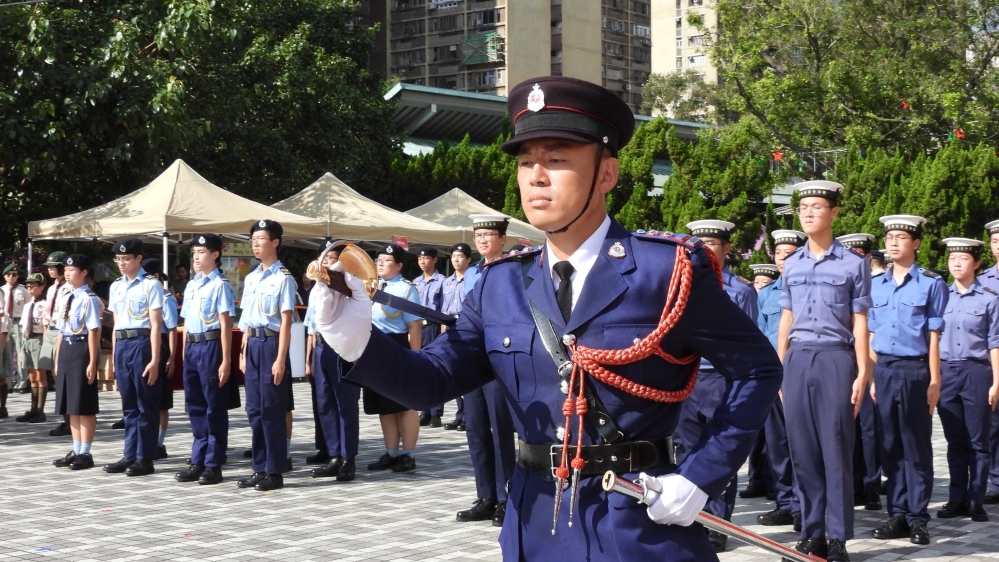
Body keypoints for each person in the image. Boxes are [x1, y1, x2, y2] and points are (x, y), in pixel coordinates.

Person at [311, 75, 782, 561]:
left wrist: (702, 476)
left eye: (557, 159)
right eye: (526, 161)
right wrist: (354, 339)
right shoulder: (500, 284)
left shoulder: (665, 272)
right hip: (535, 523)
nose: (536, 176)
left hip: (639, 522)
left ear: (606, 174)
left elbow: (758, 370)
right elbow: (431, 381)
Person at [776, 181, 872, 562]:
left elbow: (860, 320)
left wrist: (863, 372)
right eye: (803, 207)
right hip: (798, 358)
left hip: (835, 357)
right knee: (802, 450)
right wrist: (779, 367)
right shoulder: (793, 262)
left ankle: (837, 536)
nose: (808, 213)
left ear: (833, 212)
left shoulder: (853, 263)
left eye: (816, 206)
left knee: (835, 448)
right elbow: (787, 316)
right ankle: (812, 531)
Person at [674, 219, 759, 553]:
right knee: (685, 451)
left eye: (714, 244)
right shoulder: (680, 285)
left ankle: (718, 523)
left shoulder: (742, 291)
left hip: (722, 379)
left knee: (720, 453)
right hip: (688, 379)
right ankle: (691, 518)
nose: (707, 251)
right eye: (701, 244)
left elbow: (749, 344)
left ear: (726, 249)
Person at [868, 214, 947, 546]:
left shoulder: (931, 283)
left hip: (915, 370)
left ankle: (917, 517)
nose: (893, 242)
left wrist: (935, 380)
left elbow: (934, 336)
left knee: (915, 444)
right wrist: (870, 376)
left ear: (916, 243)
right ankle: (896, 513)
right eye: (889, 237)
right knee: (889, 443)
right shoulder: (874, 284)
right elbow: (871, 332)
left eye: (901, 237)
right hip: (884, 368)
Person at [452, 215, 518, 527]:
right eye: (478, 235)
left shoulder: (513, 269)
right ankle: (485, 495)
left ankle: (508, 497)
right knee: (476, 427)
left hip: (498, 358)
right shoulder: (471, 273)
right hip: (473, 357)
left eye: (489, 234)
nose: (482, 240)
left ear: (502, 239)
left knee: (500, 429)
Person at [936, 237, 999, 523]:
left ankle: (976, 500)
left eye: (963, 259)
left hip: (976, 371)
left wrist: (996, 381)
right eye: (952, 259)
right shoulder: (939, 296)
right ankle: (956, 499)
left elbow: (994, 342)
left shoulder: (989, 298)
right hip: (946, 370)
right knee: (954, 441)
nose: (956, 263)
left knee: (979, 441)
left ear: (976, 264)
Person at [236, 220, 296, 492]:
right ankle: (259, 468)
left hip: (272, 345)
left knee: (272, 410)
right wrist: (242, 350)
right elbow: (247, 319)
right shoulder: (251, 278)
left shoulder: (284, 278)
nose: (255, 243)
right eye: (253, 239)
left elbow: (286, 322)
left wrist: (281, 358)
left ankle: (274, 471)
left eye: (260, 238)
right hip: (254, 346)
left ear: (275, 242)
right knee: (254, 410)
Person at [753, 230, 806, 532]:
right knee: (777, 444)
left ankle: (803, 505)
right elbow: (760, 336)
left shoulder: (808, 289)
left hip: (799, 375)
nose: (783, 257)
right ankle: (785, 503)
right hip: (773, 378)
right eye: (778, 252)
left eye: (790, 251)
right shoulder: (766, 293)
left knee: (801, 444)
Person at [176, 234, 234, 485]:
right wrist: (184, 350)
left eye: (201, 252)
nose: (196, 258)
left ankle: (213, 463)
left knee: (213, 406)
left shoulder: (221, 285)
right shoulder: (191, 285)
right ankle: (198, 458)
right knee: (195, 405)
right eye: (194, 253)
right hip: (193, 347)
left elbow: (226, 324)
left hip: (211, 346)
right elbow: (187, 322)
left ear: (215, 254)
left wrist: (226, 360)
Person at [104, 237, 164, 477]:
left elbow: (156, 324)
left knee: (145, 404)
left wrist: (155, 358)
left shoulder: (151, 285)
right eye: (118, 259)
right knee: (128, 404)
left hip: (142, 342)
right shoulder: (116, 286)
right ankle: (130, 454)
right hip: (123, 344)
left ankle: (145, 457)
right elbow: (116, 324)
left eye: (126, 259)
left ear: (139, 258)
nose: (122, 263)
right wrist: (115, 356)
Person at [364, 243, 422, 474]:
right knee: (384, 406)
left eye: (386, 260)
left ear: (399, 265)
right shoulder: (369, 287)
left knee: (405, 405)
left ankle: (408, 454)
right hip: (373, 348)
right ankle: (391, 452)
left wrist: (417, 360)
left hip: (397, 347)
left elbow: (414, 328)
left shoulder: (407, 290)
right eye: (378, 259)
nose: (380, 263)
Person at [837, 233, 885, 512]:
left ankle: (870, 486)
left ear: (867, 257)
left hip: (868, 361)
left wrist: (871, 372)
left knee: (869, 428)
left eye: (858, 255)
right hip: (842, 360)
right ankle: (852, 485)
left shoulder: (878, 287)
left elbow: (874, 331)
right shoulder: (841, 282)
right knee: (847, 427)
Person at [306, 246, 362, 481]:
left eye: (333, 258)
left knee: (345, 404)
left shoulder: (350, 287)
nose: (328, 262)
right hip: (320, 348)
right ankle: (333, 455)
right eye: (325, 257)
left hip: (342, 348)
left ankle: (348, 458)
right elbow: (311, 325)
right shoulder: (316, 287)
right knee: (325, 403)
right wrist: (309, 356)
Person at [50, 254, 103, 471]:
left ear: (84, 273)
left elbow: (94, 331)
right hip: (67, 351)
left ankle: (86, 452)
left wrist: (92, 361)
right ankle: (77, 448)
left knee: (84, 404)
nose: (68, 273)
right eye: (67, 270)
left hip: (81, 349)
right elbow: (61, 332)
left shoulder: (89, 298)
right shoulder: (65, 296)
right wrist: (56, 358)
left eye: (73, 270)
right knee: (71, 405)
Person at [141, 258, 177, 460]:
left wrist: (172, 357)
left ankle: (159, 443)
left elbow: (171, 329)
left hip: (161, 345)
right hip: (143, 345)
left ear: (155, 276)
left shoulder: (165, 298)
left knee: (161, 401)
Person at [440, 243, 474, 431]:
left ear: (468, 259)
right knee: (454, 370)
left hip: (466, 323)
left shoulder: (473, 279)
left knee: (466, 369)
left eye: (460, 256)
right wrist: (443, 331)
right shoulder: (447, 282)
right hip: (449, 324)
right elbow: (444, 309)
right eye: (453, 256)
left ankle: (469, 415)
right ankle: (459, 415)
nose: (456, 259)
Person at [977, 219, 999, 505]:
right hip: (991, 360)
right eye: (995, 240)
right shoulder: (983, 282)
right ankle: (996, 481)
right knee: (993, 425)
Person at [40, 252, 74, 436]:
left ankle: (69, 419)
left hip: (62, 329)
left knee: (62, 374)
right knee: (54, 374)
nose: (50, 269)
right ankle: (64, 418)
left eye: (53, 266)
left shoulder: (68, 287)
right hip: (51, 330)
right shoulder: (53, 288)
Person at [414, 247, 446, 428]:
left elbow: (444, 307)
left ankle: (436, 412)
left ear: (434, 260)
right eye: (420, 258)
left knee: (435, 368)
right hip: (419, 327)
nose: (422, 261)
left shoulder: (442, 281)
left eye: (426, 258)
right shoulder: (416, 282)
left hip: (434, 327)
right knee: (420, 367)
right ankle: (424, 410)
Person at [15, 274, 48, 422]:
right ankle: (33, 409)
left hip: (39, 339)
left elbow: (45, 327)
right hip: (28, 340)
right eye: (28, 286)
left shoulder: (45, 304)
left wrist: (46, 345)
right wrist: (22, 348)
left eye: (33, 285)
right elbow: (23, 328)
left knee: (40, 375)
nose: (30, 288)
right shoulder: (28, 305)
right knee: (32, 376)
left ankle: (40, 411)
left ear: (42, 287)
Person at [2, 264, 31, 394]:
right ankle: (7, 384)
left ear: (18, 276)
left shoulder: (23, 290)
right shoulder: (1, 290)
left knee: (21, 353)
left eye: (14, 274)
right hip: (5, 322)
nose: (11, 277)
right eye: (9, 274)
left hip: (19, 322)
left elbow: (29, 306)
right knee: (7, 354)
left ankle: (22, 383)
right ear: (4, 276)